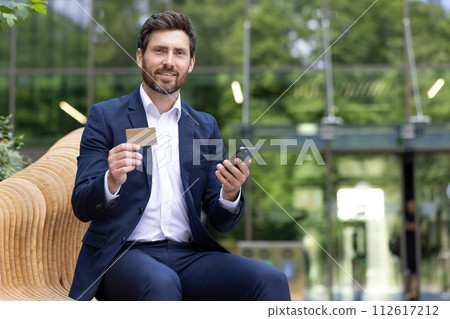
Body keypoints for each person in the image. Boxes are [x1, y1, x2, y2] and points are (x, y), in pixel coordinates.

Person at [69, 11, 290, 301]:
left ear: (191, 63)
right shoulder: (106, 116)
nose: (169, 61)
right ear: (140, 57)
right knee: (162, 283)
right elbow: (82, 206)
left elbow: (221, 221)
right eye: (159, 50)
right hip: (122, 256)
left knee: (270, 279)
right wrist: (111, 180)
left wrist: (230, 192)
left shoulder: (204, 125)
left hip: (188, 256)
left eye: (179, 53)